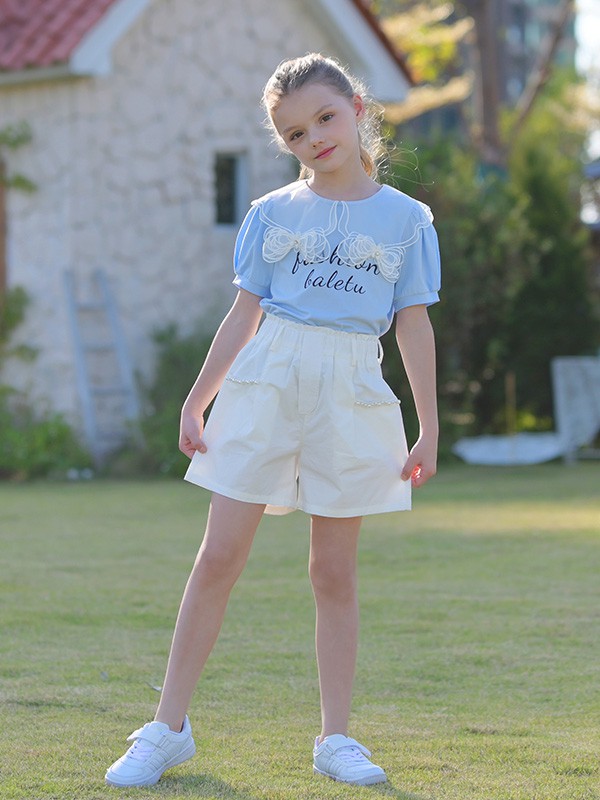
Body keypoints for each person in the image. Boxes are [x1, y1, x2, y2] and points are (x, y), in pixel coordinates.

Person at [105, 52, 441, 789]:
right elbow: (243, 314)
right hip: (266, 386)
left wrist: (429, 425)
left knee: (333, 570)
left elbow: (412, 324)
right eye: (294, 132)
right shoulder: (271, 213)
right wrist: (198, 398)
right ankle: (167, 729)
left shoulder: (406, 221)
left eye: (325, 118)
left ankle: (336, 739)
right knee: (218, 556)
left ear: (357, 109)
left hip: (351, 392)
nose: (314, 138)